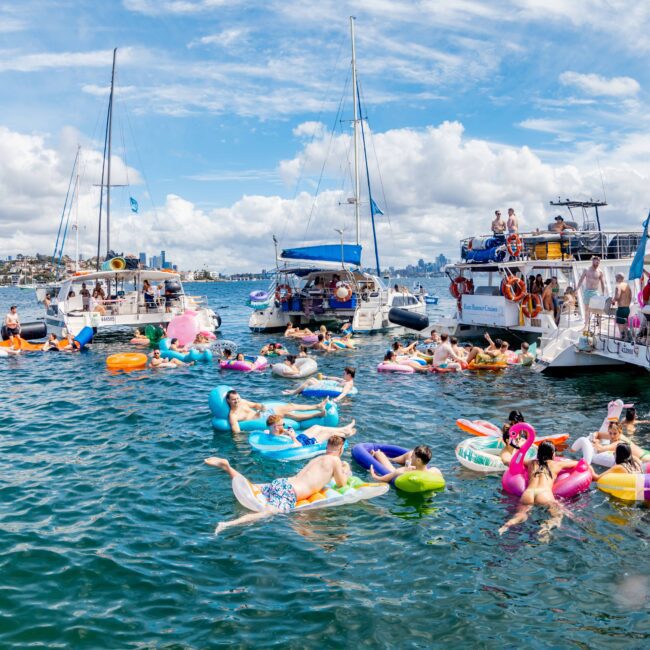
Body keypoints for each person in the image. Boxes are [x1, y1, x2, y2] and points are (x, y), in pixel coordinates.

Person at [204, 435, 350, 532]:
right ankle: (227, 524)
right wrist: (346, 468)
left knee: (253, 486)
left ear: (327, 447)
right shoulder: (336, 461)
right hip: (290, 492)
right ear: (341, 449)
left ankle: (229, 468)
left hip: (282, 483)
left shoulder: (318, 458)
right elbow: (342, 484)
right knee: (268, 512)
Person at [498, 441, 595, 540]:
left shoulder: (531, 463)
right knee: (558, 515)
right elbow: (577, 463)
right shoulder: (557, 464)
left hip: (528, 494)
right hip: (544, 495)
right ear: (553, 454)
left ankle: (507, 525)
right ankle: (545, 528)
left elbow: (517, 461)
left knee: (520, 514)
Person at [225, 389, 329, 434]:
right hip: (261, 419)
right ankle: (318, 413)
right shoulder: (233, 415)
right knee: (289, 414)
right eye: (234, 399)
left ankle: (318, 406)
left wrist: (260, 406)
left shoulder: (242, 401)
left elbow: (254, 405)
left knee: (291, 406)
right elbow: (237, 432)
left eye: (237, 398)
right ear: (228, 400)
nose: (237, 401)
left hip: (262, 413)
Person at [264, 413, 356, 446]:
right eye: (282, 424)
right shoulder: (280, 441)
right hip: (305, 444)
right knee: (329, 432)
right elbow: (298, 446)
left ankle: (344, 428)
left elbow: (271, 431)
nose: (284, 426)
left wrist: (284, 431)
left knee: (316, 427)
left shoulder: (269, 431)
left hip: (299, 438)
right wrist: (292, 437)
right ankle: (347, 433)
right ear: (276, 427)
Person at [369, 445, 442, 483]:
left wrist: (373, 474)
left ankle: (379, 455)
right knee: (409, 453)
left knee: (379, 454)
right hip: (417, 468)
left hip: (400, 473)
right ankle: (391, 459)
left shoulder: (404, 472)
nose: (411, 456)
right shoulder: (435, 471)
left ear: (418, 460)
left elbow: (380, 479)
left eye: (413, 456)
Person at [283, 367, 356, 403]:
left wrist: (336, 399)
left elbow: (344, 393)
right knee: (312, 379)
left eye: (344, 373)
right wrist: (326, 377)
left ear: (349, 375)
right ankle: (295, 390)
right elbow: (337, 379)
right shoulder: (347, 380)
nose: (343, 374)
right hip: (329, 387)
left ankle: (293, 392)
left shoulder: (348, 384)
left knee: (309, 381)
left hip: (328, 389)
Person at [576, 256, 606, 328]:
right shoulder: (586, 270)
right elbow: (581, 280)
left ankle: (599, 325)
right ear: (592, 261)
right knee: (587, 309)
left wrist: (603, 294)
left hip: (595, 292)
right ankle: (586, 325)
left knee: (598, 309)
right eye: (596, 261)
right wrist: (576, 289)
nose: (597, 263)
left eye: (598, 262)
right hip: (587, 292)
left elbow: (602, 283)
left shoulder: (600, 272)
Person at [611, 273, 632, 341]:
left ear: (619, 278)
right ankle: (629, 337)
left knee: (620, 324)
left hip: (621, 308)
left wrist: (613, 301)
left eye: (616, 278)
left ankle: (622, 337)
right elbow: (630, 296)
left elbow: (618, 296)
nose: (616, 279)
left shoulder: (618, 286)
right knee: (625, 324)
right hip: (627, 308)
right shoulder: (628, 286)